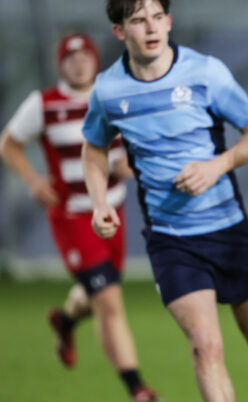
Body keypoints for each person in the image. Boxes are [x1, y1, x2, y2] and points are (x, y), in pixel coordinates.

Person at [81, 1, 248, 401]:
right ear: (119, 31)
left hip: (228, 230)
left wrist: (217, 166)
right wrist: (100, 203)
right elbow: (94, 149)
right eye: (138, 20)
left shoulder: (205, 72)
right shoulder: (108, 89)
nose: (151, 28)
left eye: (157, 17)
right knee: (205, 345)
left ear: (168, 21)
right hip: (170, 239)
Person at [0, 32, 159, 402]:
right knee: (109, 300)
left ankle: (65, 320)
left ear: (95, 60)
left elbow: (132, 144)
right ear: (61, 64)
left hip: (113, 211)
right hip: (73, 217)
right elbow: (8, 143)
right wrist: (32, 180)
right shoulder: (44, 104)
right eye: (70, 58)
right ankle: (138, 389)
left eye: (84, 56)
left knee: (99, 291)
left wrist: (128, 162)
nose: (79, 64)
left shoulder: (111, 95)